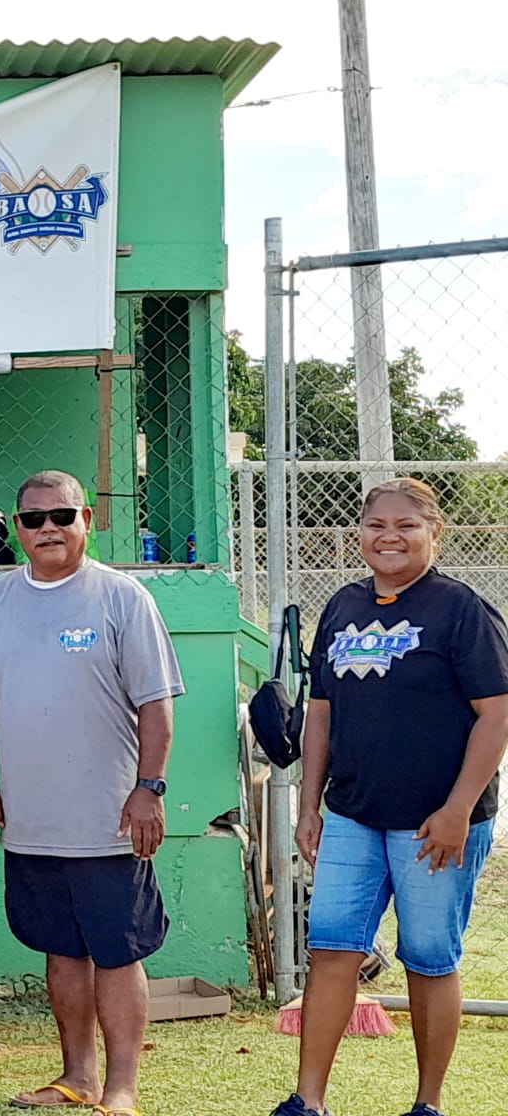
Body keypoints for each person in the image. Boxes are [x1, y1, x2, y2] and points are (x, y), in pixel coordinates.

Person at [270, 478, 508, 1116]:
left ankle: (427, 1103)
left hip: (436, 821)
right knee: (333, 949)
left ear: (437, 534)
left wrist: (459, 807)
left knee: (429, 957)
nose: (390, 537)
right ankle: (308, 1101)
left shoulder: (462, 610)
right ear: (360, 534)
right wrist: (308, 805)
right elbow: (321, 712)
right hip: (353, 814)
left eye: (407, 526)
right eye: (377, 525)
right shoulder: (344, 606)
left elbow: (496, 716)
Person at [0, 469, 183, 1116]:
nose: (48, 528)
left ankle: (122, 1087)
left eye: (62, 516)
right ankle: (77, 1077)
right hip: (31, 820)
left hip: (109, 820)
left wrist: (149, 789)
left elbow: (156, 707)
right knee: (62, 948)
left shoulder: (121, 597)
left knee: (116, 952)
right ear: (16, 527)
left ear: (88, 518)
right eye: (33, 519)